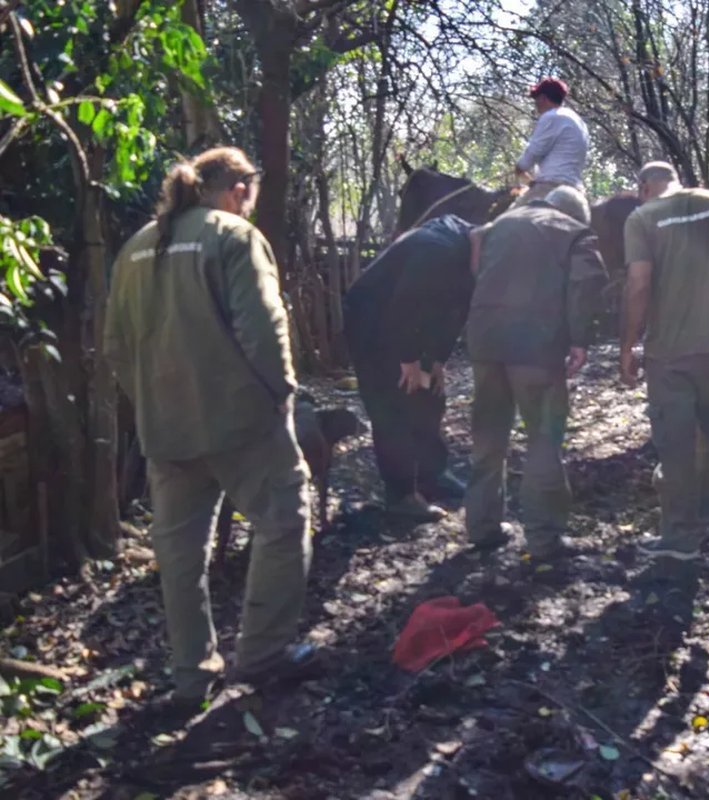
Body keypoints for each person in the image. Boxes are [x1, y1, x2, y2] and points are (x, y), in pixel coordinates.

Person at [104, 147, 315, 706]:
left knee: (179, 555)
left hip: (165, 431)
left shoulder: (134, 247)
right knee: (284, 519)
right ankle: (264, 655)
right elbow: (265, 330)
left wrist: (152, 402)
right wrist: (283, 397)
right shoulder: (233, 236)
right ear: (239, 189)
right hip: (240, 423)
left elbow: (115, 348)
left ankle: (192, 675)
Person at [619, 161, 709, 561]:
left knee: (676, 441)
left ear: (645, 187)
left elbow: (639, 284)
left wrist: (628, 343)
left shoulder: (642, 217)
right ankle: (702, 513)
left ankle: (680, 537)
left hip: (668, 351)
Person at [464, 186, 607, 558]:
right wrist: (579, 339)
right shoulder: (574, 232)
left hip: (485, 342)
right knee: (544, 437)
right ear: (576, 214)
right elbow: (587, 283)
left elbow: (477, 268)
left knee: (489, 436)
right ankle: (545, 538)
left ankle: (482, 527)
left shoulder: (498, 225)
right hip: (536, 347)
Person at [343, 215, 476, 521]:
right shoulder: (436, 249)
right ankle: (401, 495)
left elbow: (456, 311)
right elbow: (404, 305)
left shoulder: (469, 252)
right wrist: (409, 360)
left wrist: (437, 360)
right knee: (393, 404)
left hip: (414, 327)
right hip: (373, 324)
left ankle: (432, 475)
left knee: (431, 395)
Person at [511, 77, 589, 207]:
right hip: (576, 190)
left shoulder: (551, 117)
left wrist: (519, 168)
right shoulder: (579, 121)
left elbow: (532, 154)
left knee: (508, 221)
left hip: (550, 188)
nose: (535, 103)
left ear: (543, 98)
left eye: (536, 98)